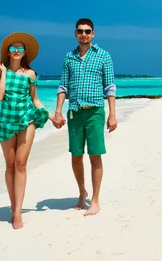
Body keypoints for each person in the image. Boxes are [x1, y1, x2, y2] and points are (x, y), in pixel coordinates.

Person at [0, 31, 58, 229]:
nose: (16, 51)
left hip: (27, 119)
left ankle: (18, 212)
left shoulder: (30, 74)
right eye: (12, 48)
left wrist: (50, 115)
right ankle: (13, 208)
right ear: (8, 51)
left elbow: (35, 99)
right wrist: (3, 74)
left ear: (24, 52)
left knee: (21, 164)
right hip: (6, 121)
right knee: (10, 165)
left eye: (20, 48)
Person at [53, 18, 117, 216]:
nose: (84, 34)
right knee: (76, 155)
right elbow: (63, 86)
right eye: (80, 31)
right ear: (75, 34)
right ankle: (82, 193)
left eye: (87, 31)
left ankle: (95, 200)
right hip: (75, 112)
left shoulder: (104, 56)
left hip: (95, 111)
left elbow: (110, 87)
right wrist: (57, 111)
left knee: (95, 155)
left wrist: (112, 115)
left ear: (93, 34)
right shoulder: (68, 57)